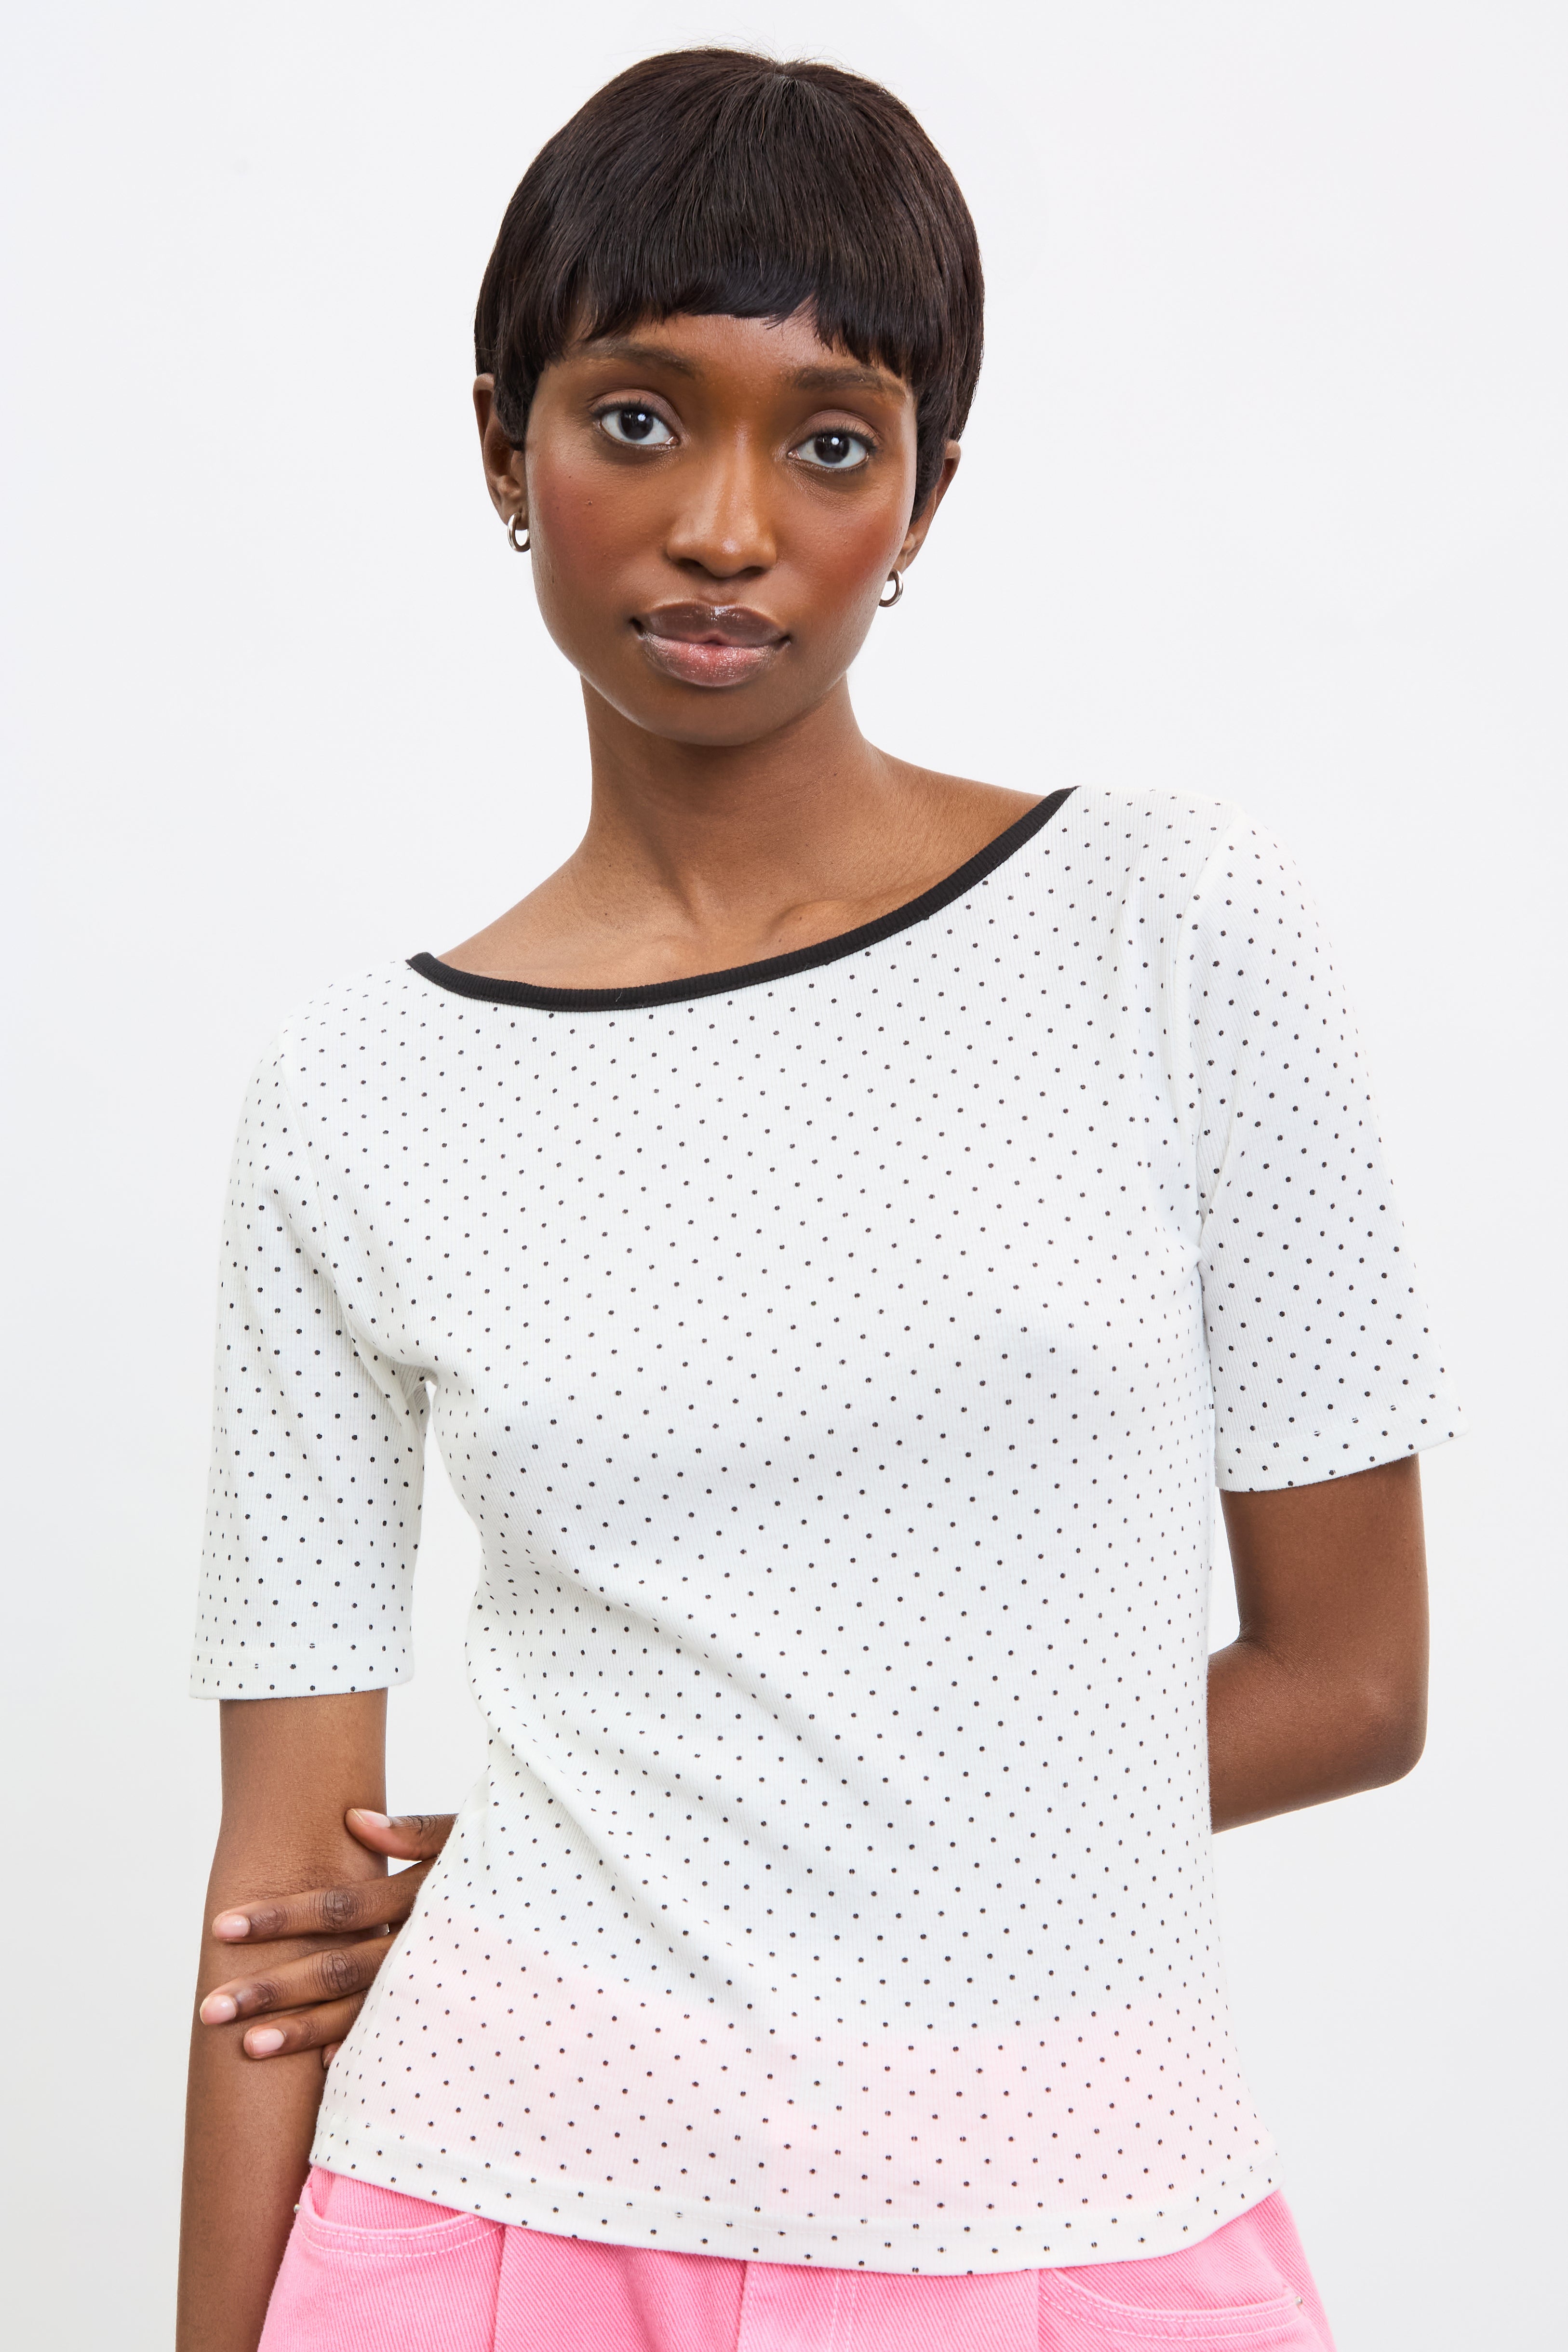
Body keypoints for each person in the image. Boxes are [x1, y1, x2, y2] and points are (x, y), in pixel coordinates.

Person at [180, 48, 1458, 2352]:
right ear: (504, 447)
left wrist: (748, 1868)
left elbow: (1352, 1683)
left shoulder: (1171, 930)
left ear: (926, 494)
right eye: (636, 417)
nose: (725, 525)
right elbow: (284, 1886)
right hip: (483, 2203)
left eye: (832, 442)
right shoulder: (355, 1092)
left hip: (1074, 2212)